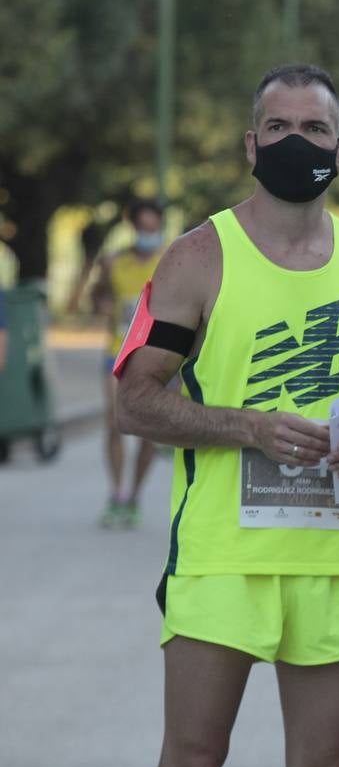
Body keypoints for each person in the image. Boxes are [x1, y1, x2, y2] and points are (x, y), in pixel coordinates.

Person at [116, 64, 339, 767]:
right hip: (223, 558)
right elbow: (134, 400)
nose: (295, 141)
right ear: (252, 146)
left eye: (314, 129)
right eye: (278, 128)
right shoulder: (196, 256)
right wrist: (249, 427)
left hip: (334, 555)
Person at [92, 200, 166, 527]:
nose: (148, 233)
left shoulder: (170, 261)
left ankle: (135, 496)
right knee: (114, 420)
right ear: (133, 227)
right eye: (142, 228)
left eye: (154, 228)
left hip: (155, 353)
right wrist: (105, 305)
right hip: (117, 348)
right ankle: (116, 493)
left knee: (147, 428)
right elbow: (96, 296)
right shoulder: (113, 262)